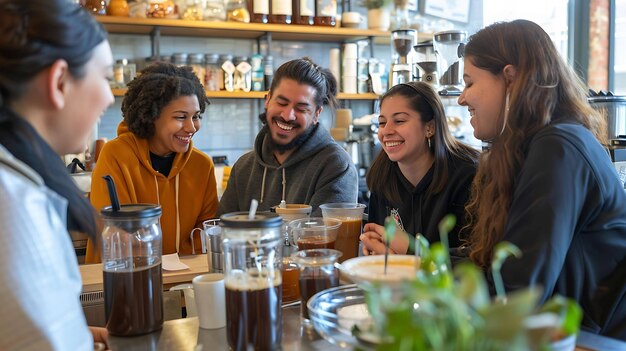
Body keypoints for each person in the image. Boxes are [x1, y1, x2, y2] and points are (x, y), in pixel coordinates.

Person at [459, 19, 626, 340]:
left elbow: (521, 291)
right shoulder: (539, 146)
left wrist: (423, 271)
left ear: (510, 79)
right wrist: (417, 259)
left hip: (585, 340)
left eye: (469, 82)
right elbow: (505, 265)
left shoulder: (558, 148)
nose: (461, 98)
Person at [0, 0, 113, 349]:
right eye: (105, 77)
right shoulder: (16, 206)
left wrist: (75, 335)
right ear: (60, 81)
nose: (109, 96)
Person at [86, 62, 219, 263]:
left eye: (196, 116)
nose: (192, 127)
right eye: (181, 117)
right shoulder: (116, 156)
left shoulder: (202, 165)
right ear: (151, 116)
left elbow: (205, 233)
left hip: (182, 282)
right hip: (123, 277)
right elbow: (115, 236)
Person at [217, 58, 358, 216]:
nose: (288, 116)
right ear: (268, 99)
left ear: (316, 114)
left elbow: (325, 237)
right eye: (282, 103)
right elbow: (223, 232)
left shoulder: (335, 166)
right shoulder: (243, 168)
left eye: (301, 108)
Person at [359, 82, 479, 255]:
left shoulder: (467, 176)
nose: (386, 131)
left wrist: (410, 251)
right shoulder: (382, 178)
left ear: (429, 127)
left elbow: (477, 260)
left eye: (399, 121)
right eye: (382, 123)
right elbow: (380, 253)